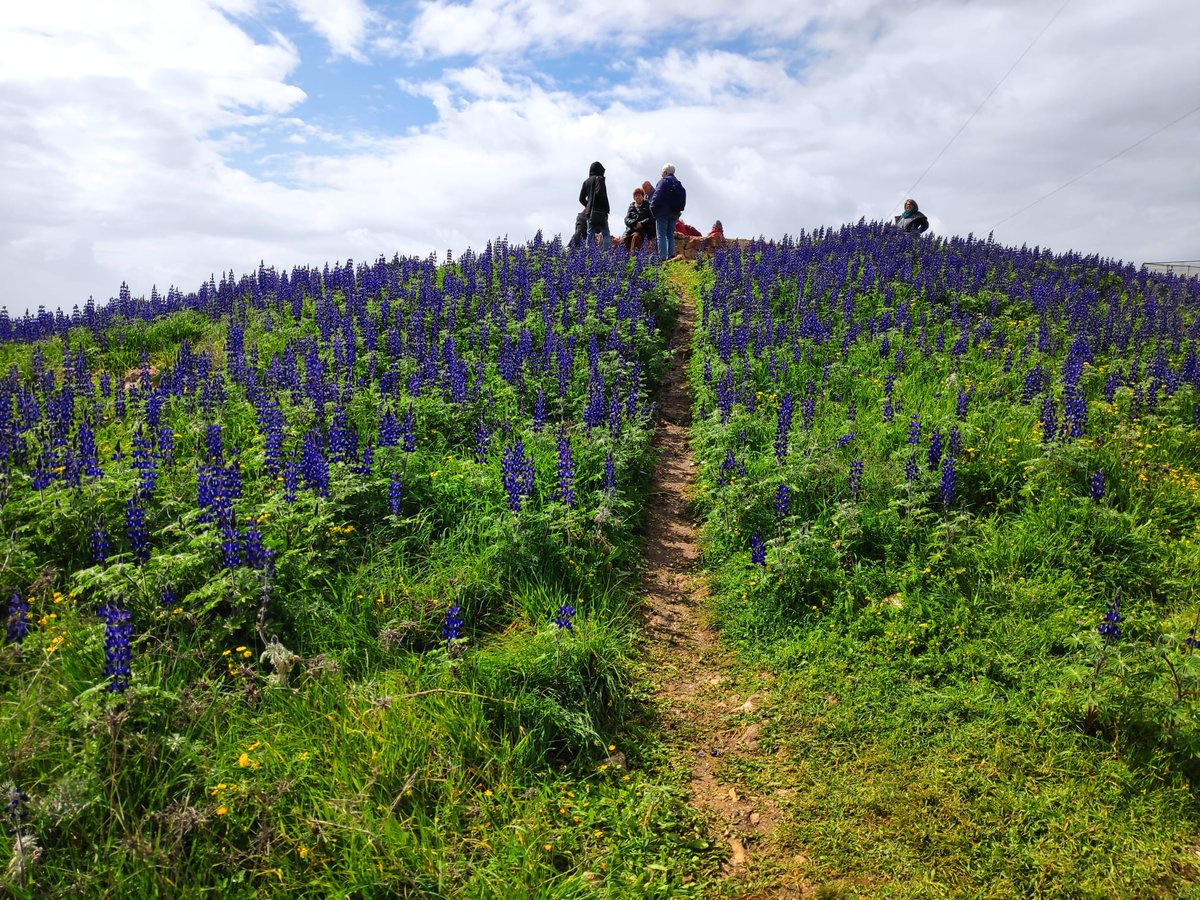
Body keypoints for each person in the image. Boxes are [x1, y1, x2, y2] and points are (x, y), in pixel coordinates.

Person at [650, 163, 686, 260]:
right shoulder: (678, 183)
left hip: (663, 213)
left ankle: (662, 258)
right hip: (674, 213)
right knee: (670, 234)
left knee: (661, 235)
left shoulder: (664, 181)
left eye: (662, 171)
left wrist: (652, 209)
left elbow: (657, 196)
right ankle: (671, 255)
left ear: (665, 172)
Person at [579, 161, 611, 246]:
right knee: (606, 233)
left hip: (590, 213)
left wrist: (588, 205)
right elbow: (600, 193)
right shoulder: (599, 179)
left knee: (590, 233)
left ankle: (588, 254)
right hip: (600, 211)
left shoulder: (586, 182)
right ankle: (605, 254)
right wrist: (604, 207)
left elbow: (581, 199)